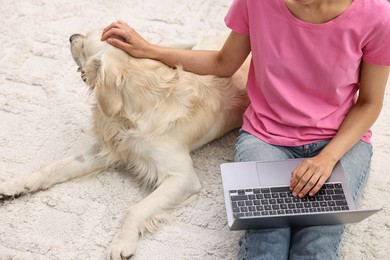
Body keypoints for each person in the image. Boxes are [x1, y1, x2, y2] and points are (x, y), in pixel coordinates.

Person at [101, 0, 390, 259]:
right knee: (267, 236)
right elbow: (223, 63)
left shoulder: (376, 15)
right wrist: (149, 50)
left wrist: (327, 159)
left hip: (340, 141)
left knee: (317, 239)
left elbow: (369, 103)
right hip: (267, 136)